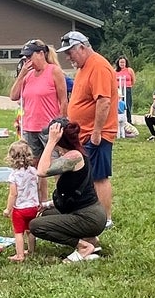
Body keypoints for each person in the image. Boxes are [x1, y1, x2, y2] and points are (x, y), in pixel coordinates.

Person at [32, 117, 108, 261]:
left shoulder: (74, 156)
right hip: (82, 212)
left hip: (89, 217)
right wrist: (47, 204)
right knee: (45, 214)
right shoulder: (71, 154)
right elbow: (71, 193)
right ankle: (90, 239)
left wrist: (50, 142)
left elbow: (41, 171)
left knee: (36, 226)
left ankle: (83, 246)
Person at [61, 30, 117, 222]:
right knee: (87, 176)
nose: (68, 57)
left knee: (99, 177)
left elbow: (103, 101)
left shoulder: (99, 66)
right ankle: (93, 214)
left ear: (82, 48)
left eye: (70, 52)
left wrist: (97, 132)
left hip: (98, 135)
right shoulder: (83, 67)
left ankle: (105, 218)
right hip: (84, 133)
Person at [10, 41, 67, 160]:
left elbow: (63, 100)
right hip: (30, 127)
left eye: (30, 56)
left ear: (41, 54)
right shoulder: (28, 75)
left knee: (54, 163)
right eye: (26, 58)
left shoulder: (54, 71)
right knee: (34, 165)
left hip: (48, 127)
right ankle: (38, 180)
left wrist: (62, 124)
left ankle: (60, 180)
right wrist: (21, 75)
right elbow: (13, 96)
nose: (28, 61)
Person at [5, 139, 41, 261]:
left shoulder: (14, 175)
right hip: (33, 207)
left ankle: (19, 255)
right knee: (30, 230)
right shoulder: (34, 172)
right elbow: (38, 187)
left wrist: (8, 209)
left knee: (18, 232)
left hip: (20, 209)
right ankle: (31, 250)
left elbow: (13, 194)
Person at [116, 56, 135, 125]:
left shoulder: (129, 70)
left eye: (123, 62)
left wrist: (129, 85)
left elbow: (133, 80)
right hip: (118, 89)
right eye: (120, 62)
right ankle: (118, 119)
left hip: (127, 88)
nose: (122, 64)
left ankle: (129, 120)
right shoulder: (115, 71)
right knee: (118, 103)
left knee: (127, 104)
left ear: (126, 63)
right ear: (118, 63)